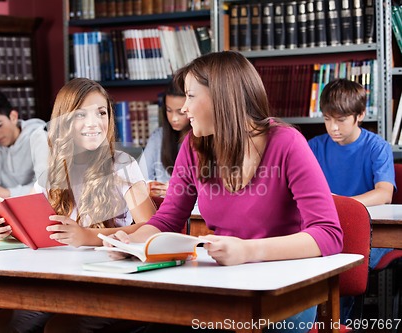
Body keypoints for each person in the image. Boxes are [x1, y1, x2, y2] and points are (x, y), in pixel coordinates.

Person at [105, 51, 344, 333]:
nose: (184, 109)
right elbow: (166, 220)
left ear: (222, 97)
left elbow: (329, 234)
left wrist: (248, 251)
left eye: (191, 96)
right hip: (223, 284)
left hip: (285, 291)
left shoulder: (287, 143)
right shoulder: (193, 147)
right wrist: (131, 243)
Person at [0, 78, 156, 333]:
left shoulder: (122, 165)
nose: (94, 122)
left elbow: (152, 229)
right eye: (81, 115)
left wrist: (88, 236)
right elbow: (31, 228)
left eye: (101, 112)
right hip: (59, 283)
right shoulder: (52, 171)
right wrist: (5, 229)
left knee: (61, 329)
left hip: (110, 285)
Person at [308, 78, 396, 323]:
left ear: (360, 115)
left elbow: (384, 194)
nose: (333, 128)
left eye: (341, 120)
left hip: (369, 232)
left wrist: (342, 204)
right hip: (324, 228)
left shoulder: (377, 147)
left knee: (345, 263)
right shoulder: (314, 147)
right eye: (327, 119)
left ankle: (340, 325)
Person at [139, 79, 191, 197]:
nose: (174, 118)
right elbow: (141, 177)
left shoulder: (202, 138)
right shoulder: (158, 137)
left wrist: (177, 189)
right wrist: (151, 186)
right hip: (163, 205)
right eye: (169, 110)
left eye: (180, 112)